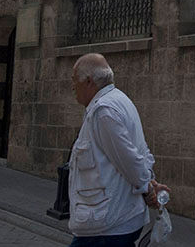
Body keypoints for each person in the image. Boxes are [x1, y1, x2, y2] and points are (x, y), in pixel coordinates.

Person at [68, 53, 169, 247]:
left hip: (107, 225)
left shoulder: (103, 111)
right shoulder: (118, 101)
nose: (73, 86)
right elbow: (139, 153)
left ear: (89, 81)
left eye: (75, 80)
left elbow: (131, 160)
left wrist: (148, 188)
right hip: (112, 222)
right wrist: (149, 182)